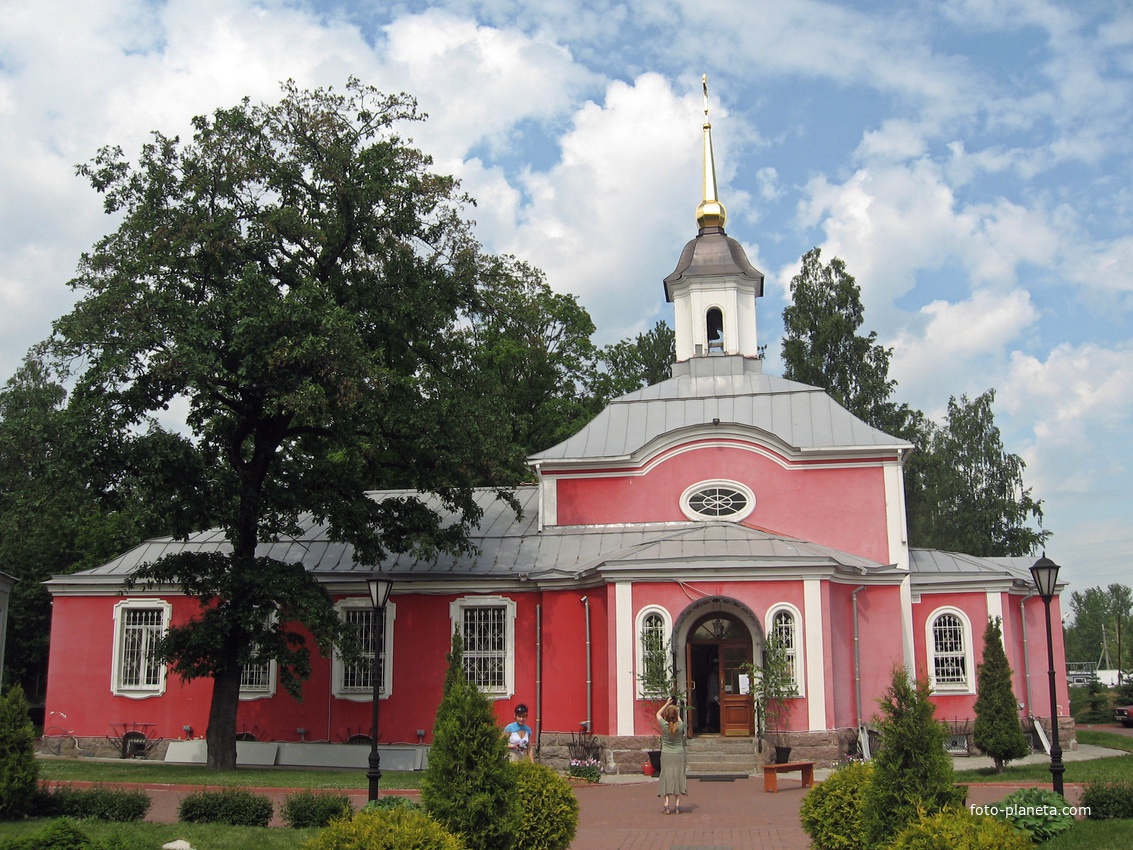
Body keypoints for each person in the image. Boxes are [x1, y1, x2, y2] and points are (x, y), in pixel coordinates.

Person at [656, 697, 688, 814]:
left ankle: (666, 806)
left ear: (667, 716)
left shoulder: (664, 725)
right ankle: (678, 806)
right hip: (678, 754)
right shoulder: (680, 726)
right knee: (678, 776)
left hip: (666, 754)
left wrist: (666, 704)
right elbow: (679, 721)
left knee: (666, 776)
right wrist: (677, 710)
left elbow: (658, 714)